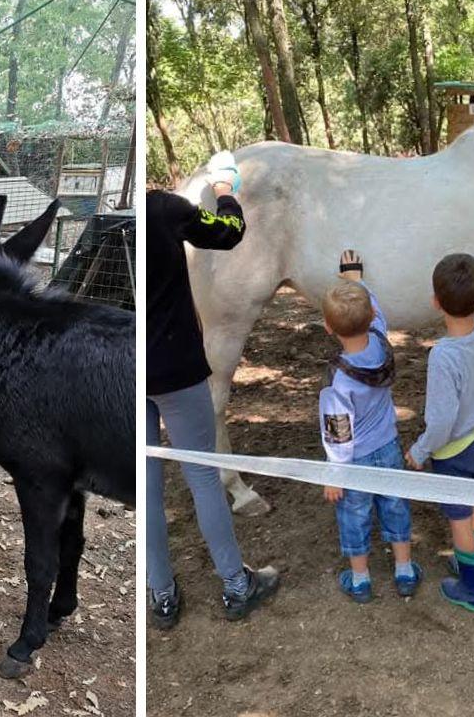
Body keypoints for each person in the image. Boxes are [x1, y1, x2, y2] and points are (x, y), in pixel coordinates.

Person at [147, 151, 279, 628]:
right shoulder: (166, 210)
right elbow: (229, 231)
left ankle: (161, 596)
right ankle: (236, 585)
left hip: (126, 369)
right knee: (203, 476)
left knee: (148, 488)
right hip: (177, 369)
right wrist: (225, 190)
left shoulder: (113, 226)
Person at [319, 250, 422, 602]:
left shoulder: (338, 379)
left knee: (355, 513)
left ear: (328, 327)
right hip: (388, 446)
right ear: (374, 315)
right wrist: (356, 280)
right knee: (396, 505)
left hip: (356, 460)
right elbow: (373, 309)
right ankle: (404, 570)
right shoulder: (381, 343)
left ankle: (360, 579)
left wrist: (336, 472)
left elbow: (337, 431)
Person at [404, 254, 474, 613]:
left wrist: (421, 449)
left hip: (454, 450)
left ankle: (472, 588)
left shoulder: (443, 356)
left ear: (435, 302)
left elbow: (442, 420)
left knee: (458, 516)